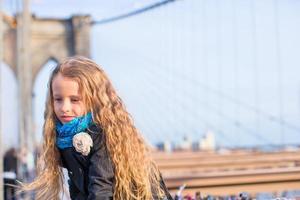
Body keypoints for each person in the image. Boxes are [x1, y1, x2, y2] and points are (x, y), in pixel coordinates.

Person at [22, 56, 173, 200]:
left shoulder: (103, 132)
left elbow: (100, 188)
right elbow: (77, 187)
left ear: (94, 99)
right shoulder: (63, 137)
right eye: (58, 99)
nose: (64, 108)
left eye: (75, 100)